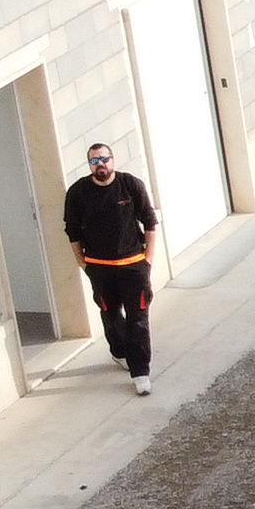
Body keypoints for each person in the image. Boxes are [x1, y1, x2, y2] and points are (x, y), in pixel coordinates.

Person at [62, 141, 161, 395]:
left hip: (133, 266)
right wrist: (82, 263)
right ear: (90, 165)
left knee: (137, 318)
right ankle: (119, 352)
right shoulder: (78, 192)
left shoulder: (130, 185)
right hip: (99, 268)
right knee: (111, 315)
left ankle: (140, 373)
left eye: (104, 159)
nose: (101, 165)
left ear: (113, 161)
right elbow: (72, 232)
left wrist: (147, 260)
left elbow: (150, 223)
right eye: (95, 161)